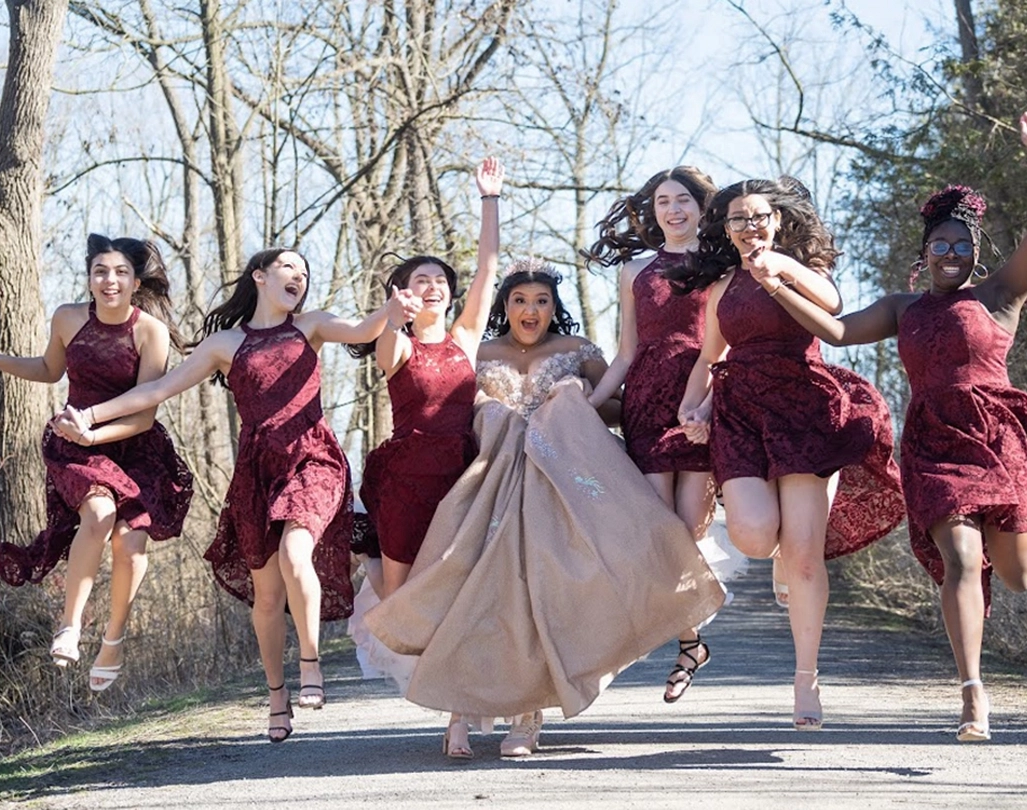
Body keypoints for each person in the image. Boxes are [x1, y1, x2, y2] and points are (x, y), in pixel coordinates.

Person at [764, 111, 1027, 742]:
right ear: (924, 253)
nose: (950, 255)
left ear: (975, 255)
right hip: (933, 440)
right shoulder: (904, 309)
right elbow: (836, 331)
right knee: (961, 557)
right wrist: (776, 283)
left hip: (996, 435)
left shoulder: (997, 298)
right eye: (940, 246)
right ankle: (971, 694)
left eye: (962, 247)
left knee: (1014, 572)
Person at [364, 260, 726, 760]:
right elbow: (444, 404)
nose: (530, 310)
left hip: (559, 486)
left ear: (554, 309)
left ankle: (528, 716)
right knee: (474, 589)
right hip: (491, 485)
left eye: (541, 301)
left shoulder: (577, 351)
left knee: (546, 591)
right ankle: (459, 711)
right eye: (519, 301)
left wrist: (575, 398)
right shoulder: (478, 352)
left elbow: (620, 404)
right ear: (504, 307)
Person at [55, 247, 411, 742]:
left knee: (295, 550)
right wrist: (90, 418)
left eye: (306, 272)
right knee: (266, 596)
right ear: (260, 276)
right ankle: (276, 695)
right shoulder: (225, 343)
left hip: (312, 457)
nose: (300, 277)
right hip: (255, 472)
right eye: (290, 268)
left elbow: (361, 329)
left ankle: (311, 665)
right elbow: (157, 392)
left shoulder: (311, 326)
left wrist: (390, 315)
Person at [670, 177, 904, 731]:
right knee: (752, 534)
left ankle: (806, 680)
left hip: (804, 407)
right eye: (737, 219)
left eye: (758, 217)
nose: (749, 226)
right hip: (744, 411)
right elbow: (708, 358)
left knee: (803, 554)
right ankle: (775, 560)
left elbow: (835, 305)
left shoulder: (799, 269)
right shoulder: (722, 286)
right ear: (724, 230)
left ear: (776, 220)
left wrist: (777, 269)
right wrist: (691, 408)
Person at [0, 234, 192, 692]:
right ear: (89, 277)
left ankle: (114, 639)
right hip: (75, 445)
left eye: (121, 272)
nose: (110, 280)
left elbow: (143, 415)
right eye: (101, 271)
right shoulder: (67, 318)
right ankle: (70, 625)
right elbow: (49, 370)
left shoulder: (150, 332)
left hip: (134, 445)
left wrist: (96, 431)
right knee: (100, 513)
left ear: (135, 281)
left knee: (132, 543)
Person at [345, 158, 503, 755]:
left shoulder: (465, 339)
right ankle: (372, 565)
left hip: (465, 478)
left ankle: (459, 713)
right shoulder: (399, 346)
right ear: (404, 293)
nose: (432, 286)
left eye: (439, 279)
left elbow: (488, 269)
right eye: (420, 281)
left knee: (460, 594)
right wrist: (393, 314)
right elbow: (384, 341)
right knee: (402, 601)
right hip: (407, 479)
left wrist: (489, 201)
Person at [583, 166, 725, 703]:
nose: (673, 209)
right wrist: (591, 405)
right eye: (663, 201)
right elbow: (625, 352)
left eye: (683, 199)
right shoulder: (635, 272)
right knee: (656, 535)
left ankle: (689, 641)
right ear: (653, 210)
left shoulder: (719, 267)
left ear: (699, 206)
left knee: (687, 535)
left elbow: (722, 346)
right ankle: (691, 642)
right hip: (646, 400)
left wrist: (707, 403)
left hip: (700, 400)